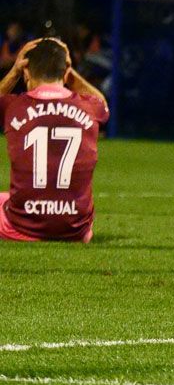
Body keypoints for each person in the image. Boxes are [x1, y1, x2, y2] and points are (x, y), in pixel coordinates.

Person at [0, 38, 108, 243]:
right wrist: (71, 73)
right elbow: (103, 105)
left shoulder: (14, 106)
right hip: (75, 230)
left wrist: (13, 70)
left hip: (22, 227)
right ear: (65, 71)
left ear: (26, 72)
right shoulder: (90, 107)